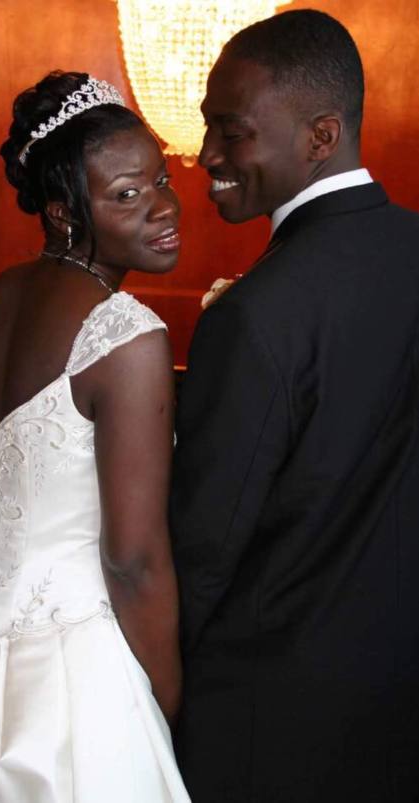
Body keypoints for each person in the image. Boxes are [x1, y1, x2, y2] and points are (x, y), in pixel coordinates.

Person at [0, 70, 191, 802]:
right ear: (62, 213)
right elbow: (133, 559)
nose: (163, 206)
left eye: (159, 179)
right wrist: (164, 700)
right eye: (126, 194)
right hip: (63, 675)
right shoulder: (126, 334)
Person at [170, 9, 419, 802]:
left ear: (321, 136)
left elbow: (202, 553)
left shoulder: (254, 314)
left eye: (230, 130)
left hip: (266, 722)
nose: (205, 154)